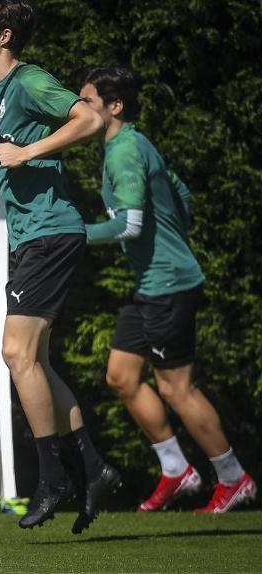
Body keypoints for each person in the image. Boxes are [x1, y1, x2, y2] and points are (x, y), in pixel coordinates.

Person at [0, 0, 119, 533]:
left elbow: (90, 118)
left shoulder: (27, 80)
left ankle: (53, 477)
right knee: (37, 364)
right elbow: (20, 149)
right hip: (34, 240)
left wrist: (25, 155)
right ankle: (93, 469)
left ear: (3, 36)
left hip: (50, 236)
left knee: (14, 352)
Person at [78, 66, 255, 513]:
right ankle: (178, 470)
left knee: (177, 389)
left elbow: (131, 226)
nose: (78, 111)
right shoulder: (133, 143)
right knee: (121, 375)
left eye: (87, 102)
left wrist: (71, 234)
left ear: (114, 107)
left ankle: (234, 479)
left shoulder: (123, 152)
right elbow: (181, 195)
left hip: (168, 287)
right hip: (151, 285)